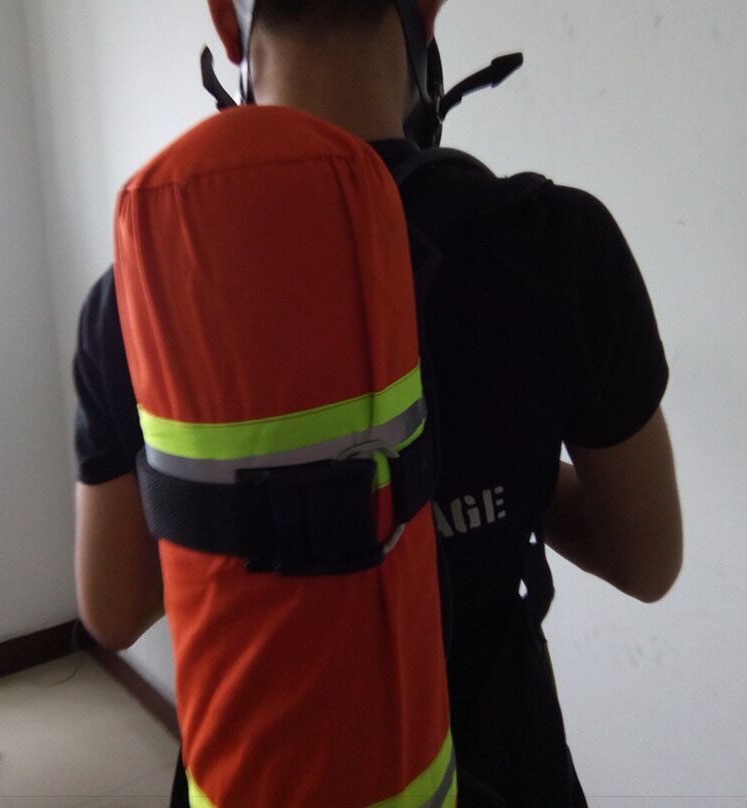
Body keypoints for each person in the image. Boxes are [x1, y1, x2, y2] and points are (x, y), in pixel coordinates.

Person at [73, 1, 683, 806]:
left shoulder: (137, 291)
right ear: (425, 13)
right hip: (501, 768)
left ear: (227, 25)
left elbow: (113, 609)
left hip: (264, 775)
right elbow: (646, 560)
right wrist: (504, 469)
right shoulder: (556, 243)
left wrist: (253, 503)